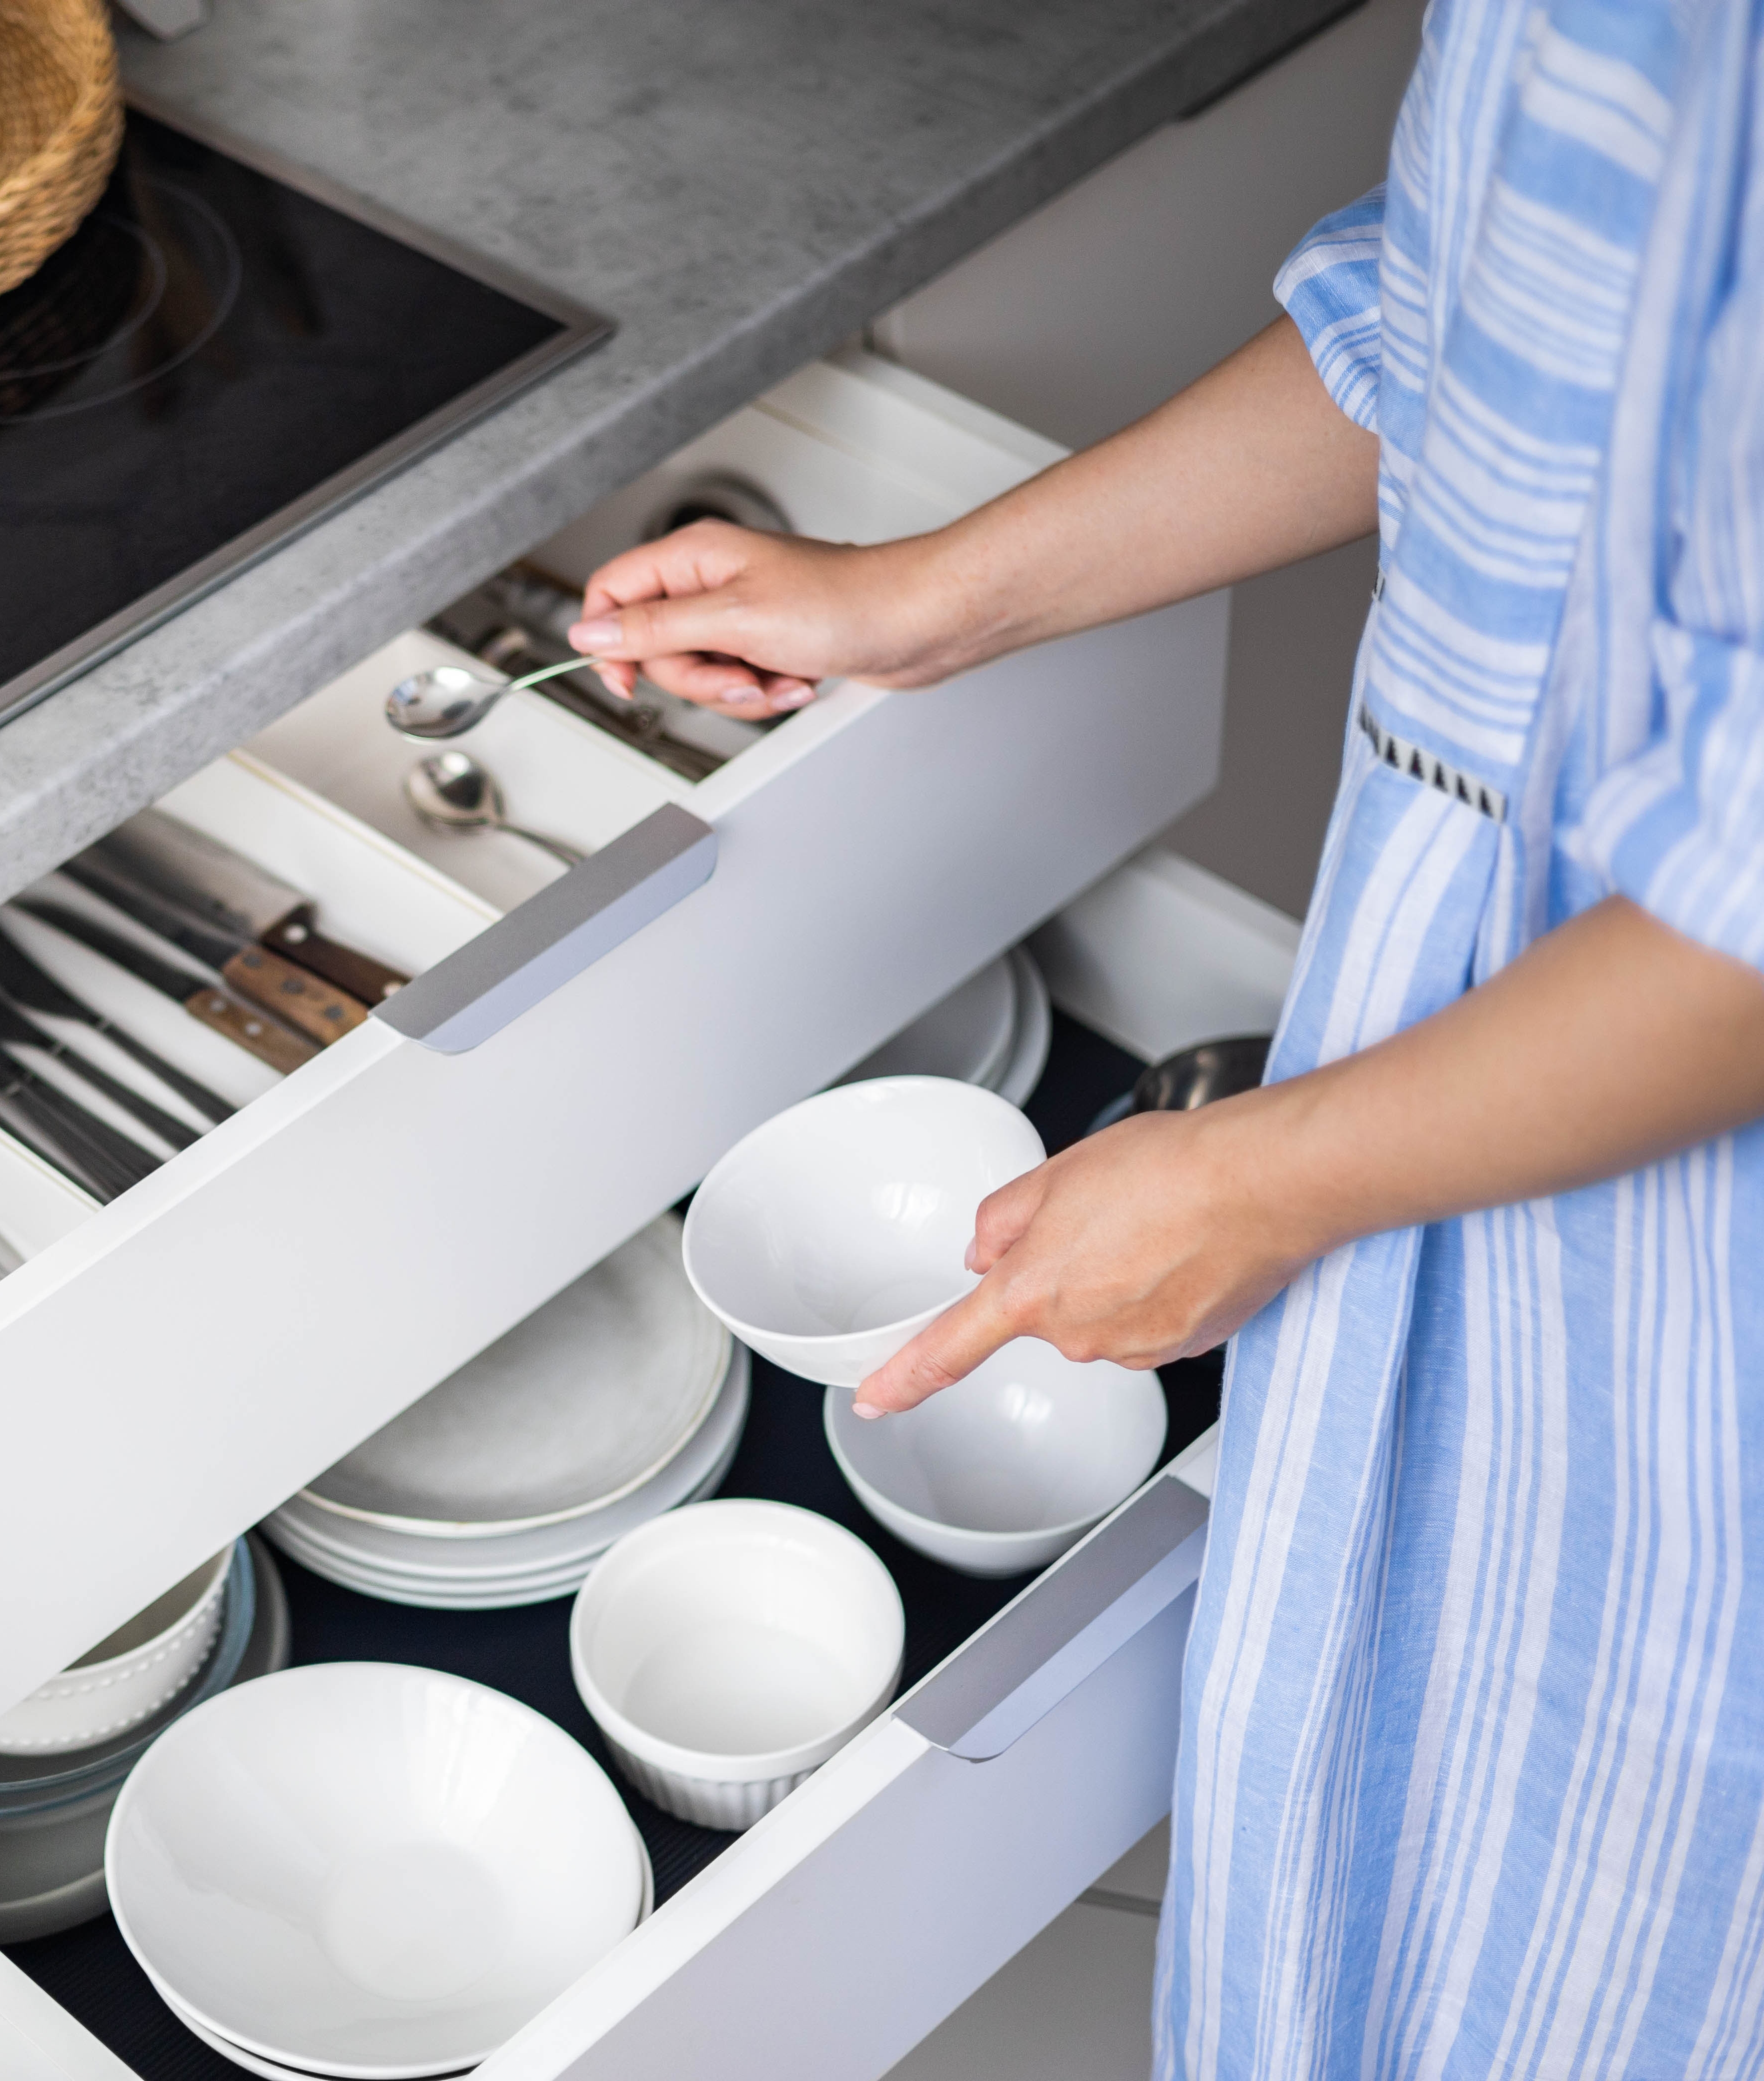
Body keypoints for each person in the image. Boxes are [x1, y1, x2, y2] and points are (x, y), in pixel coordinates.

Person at [567, 2, 1764, 2071]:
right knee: (1394, 1861)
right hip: (1477, 1054)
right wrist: (929, 597)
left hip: (1672, 1195)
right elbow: (1464, 328)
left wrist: (1265, 1176)